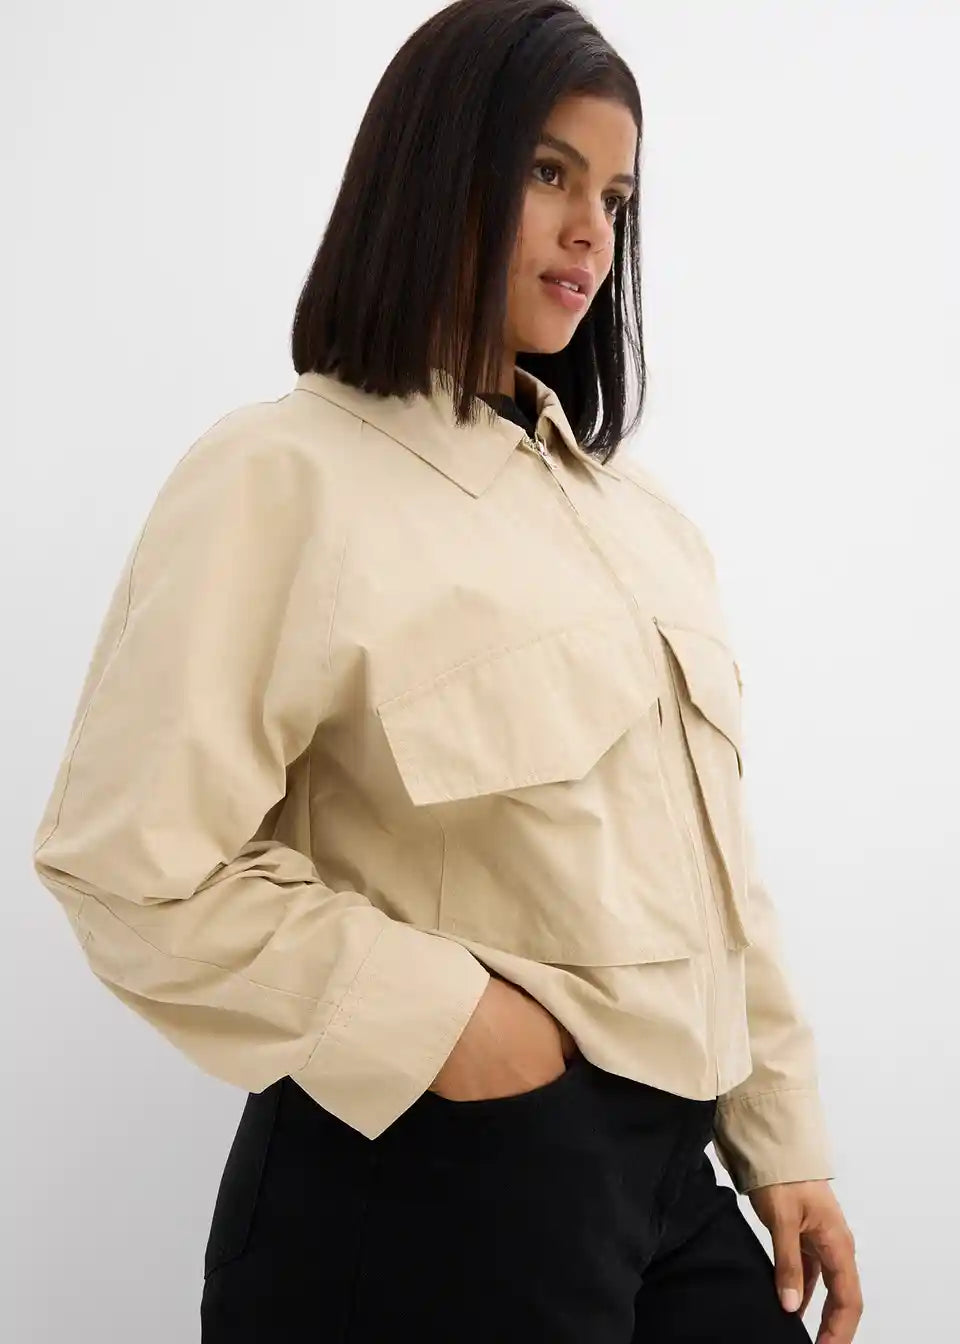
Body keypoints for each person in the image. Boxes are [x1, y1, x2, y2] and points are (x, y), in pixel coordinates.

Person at [31, 1, 863, 1340]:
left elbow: (717, 873)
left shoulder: (637, 521)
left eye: (616, 197)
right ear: (433, 173)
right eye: (547, 172)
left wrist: (781, 1135)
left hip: (667, 1173)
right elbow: (127, 860)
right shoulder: (285, 476)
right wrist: (457, 1025)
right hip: (433, 1174)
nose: (593, 231)